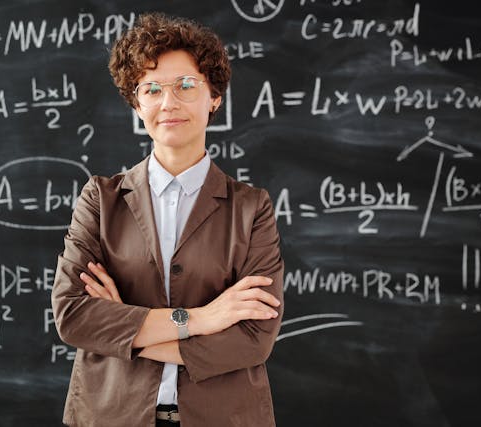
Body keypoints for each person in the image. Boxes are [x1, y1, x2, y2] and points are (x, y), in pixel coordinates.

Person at [51, 12, 284, 427]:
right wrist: (201, 319)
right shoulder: (100, 200)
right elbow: (74, 315)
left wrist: (126, 329)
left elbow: (252, 339)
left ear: (214, 96)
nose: (168, 103)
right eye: (152, 88)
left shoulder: (252, 208)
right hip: (110, 416)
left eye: (186, 86)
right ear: (136, 103)